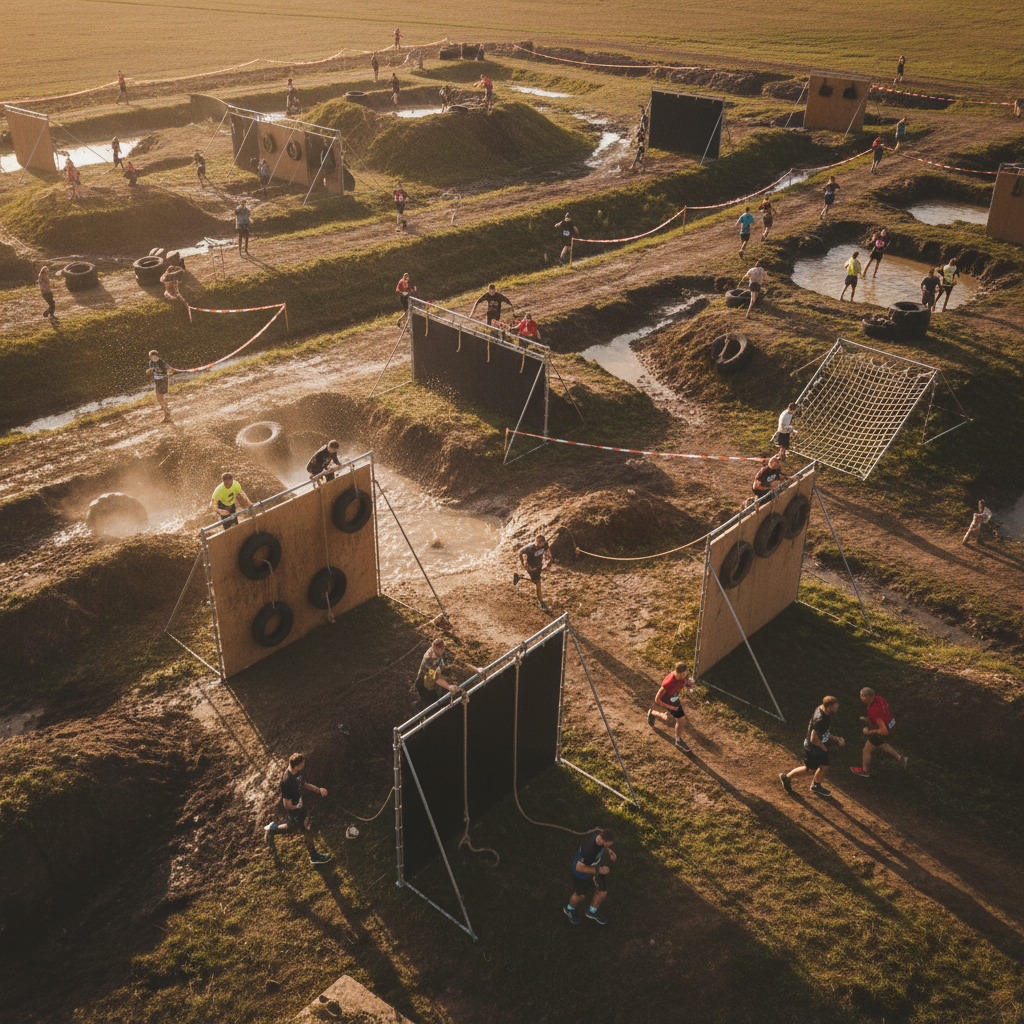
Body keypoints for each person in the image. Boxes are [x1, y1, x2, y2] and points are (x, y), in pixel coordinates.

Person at [264, 753, 332, 866]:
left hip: (300, 806)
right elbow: (286, 804)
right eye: (302, 764)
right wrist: (297, 809)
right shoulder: (287, 782)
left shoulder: (296, 773)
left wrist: (318, 790)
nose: (304, 765)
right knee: (304, 829)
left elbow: (304, 784)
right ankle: (314, 856)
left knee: (296, 828)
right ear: (296, 766)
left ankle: (272, 829)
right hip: (295, 810)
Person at [779, 696, 845, 797]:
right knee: (809, 770)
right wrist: (823, 748)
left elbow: (823, 732)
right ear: (829, 707)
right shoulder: (821, 720)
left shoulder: (821, 708)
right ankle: (787, 777)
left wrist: (836, 739)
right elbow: (813, 739)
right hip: (813, 748)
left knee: (824, 766)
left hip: (817, 746)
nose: (837, 708)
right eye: (835, 707)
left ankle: (816, 785)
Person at [850, 687, 906, 777]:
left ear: (868, 697)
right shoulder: (879, 698)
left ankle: (865, 771)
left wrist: (868, 732)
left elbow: (884, 732)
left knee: (866, 750)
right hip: (892, 725)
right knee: (881, 744)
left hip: (885, 730)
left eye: (862, 696)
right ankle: (899, 758)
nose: (860, 698)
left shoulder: (874, 711)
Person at [564, 828, 616, 925]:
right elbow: (579, 867)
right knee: (580, 896)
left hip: (593, 868)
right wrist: (598, 870)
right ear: (602, 840)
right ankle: (569, 909)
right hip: (581, 873)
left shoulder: (599, 834)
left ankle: (592, 912)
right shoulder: (589, 850)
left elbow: (603, 840)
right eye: (609, 844)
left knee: (602, 892)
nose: (609, 846)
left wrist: (609, 850)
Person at [414, 638, 482, 706]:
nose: (437, 653)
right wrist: (449, 686)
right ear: (433, 647)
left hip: (436, 679)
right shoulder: (428, 658)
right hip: (424, 682)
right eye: (435, 650)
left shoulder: (443, 651)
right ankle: (419, 705)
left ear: (443, 648)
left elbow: (458, 662)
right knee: (430, 703)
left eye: (440, 650)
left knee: (438, 698)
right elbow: (435, 678)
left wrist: (476, 669)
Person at [647, 662, 695, 751]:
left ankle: (678, 740)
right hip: (666, 701)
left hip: (674, 699)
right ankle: (653, 713)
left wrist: (688, 686)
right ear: (677, 673)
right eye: (683, 674)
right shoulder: (668, 683)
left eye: (686, 673)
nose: (685, 675)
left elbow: (686, 681)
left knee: (681, 720)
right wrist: (671, 708)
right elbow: (657, 699)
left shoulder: (684, 675)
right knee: (670, 721)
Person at [514, 534, 553, 611]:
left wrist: (547, 562)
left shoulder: (545, 545)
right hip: (531, 567)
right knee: (538, 583)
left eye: (540, 542)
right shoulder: (530, 548)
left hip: (538, 566)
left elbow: (549, 554)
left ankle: (519, 576)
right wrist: (524, 563)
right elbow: (520, 552)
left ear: (543, 542)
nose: (538, 543)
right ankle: (541, 602)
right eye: (537, 541)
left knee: (535, 581)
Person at [146, 349, 173, 422]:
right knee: (160, 396)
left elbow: (162, 369)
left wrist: (152, 370)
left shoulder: (161, 362)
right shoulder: (151, 362)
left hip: (162, 380)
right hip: (157, 380)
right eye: (152, 357)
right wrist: (151, 370)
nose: (154, 359)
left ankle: (167, 414)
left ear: (157, 356)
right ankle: (165, 407)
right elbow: (154, 370)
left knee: (159, 398)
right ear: (150, 357)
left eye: (155, 357)